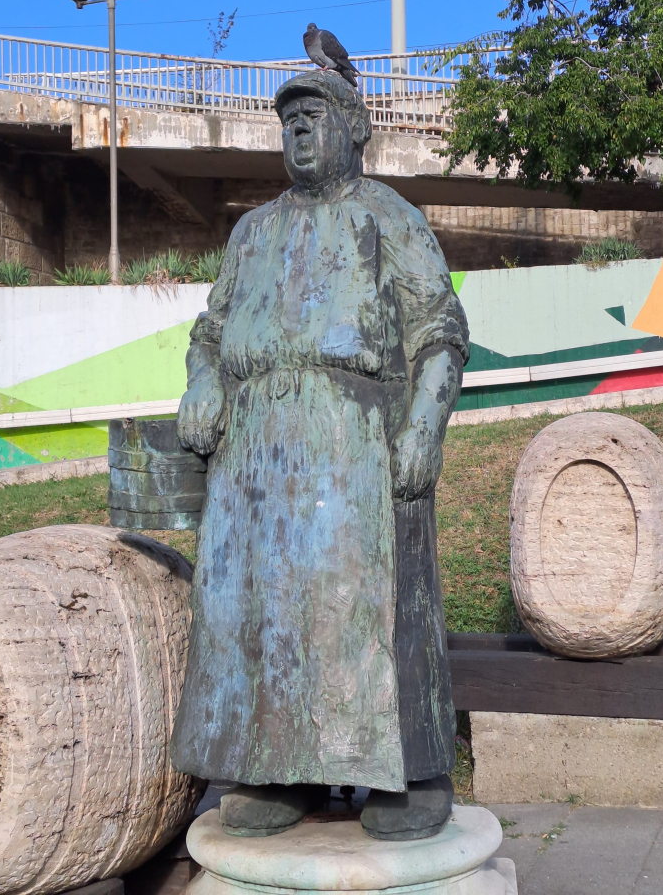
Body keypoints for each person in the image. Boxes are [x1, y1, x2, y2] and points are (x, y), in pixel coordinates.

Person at [171, 70, 469, 841]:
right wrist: (203, 383)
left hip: (355, 451)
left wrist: (425, 427)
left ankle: (411, 773)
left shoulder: (387, 217)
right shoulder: (252, 232)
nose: (298, 129)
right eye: (289, 119)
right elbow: (209, 333)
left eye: (315, 114)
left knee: (363, 612)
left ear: (356, 127)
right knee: (267, 616)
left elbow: (441, 331)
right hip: (255, 465)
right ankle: (285, 768)